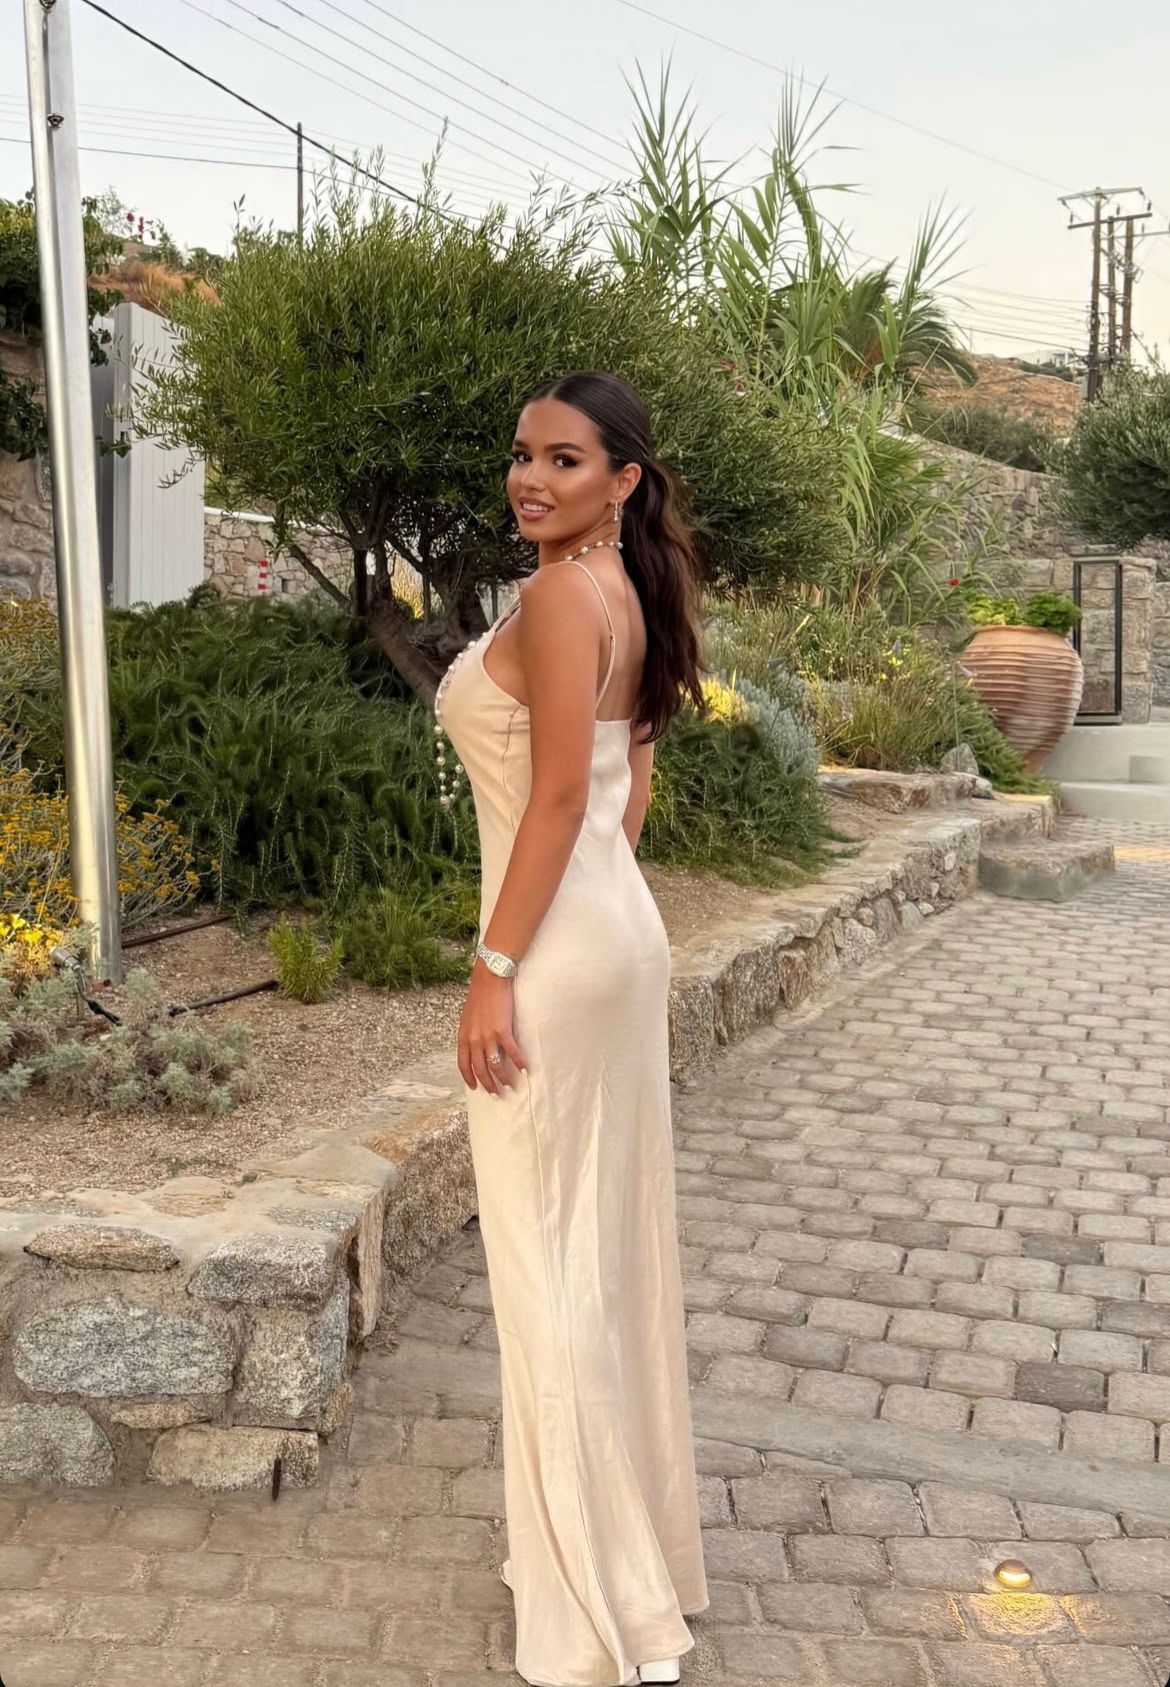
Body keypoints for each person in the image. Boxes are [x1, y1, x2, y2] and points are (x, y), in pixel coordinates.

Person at [433, 370, 709, 1687]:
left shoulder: (557, 599)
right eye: (521, 454)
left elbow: (552, 801)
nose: (529, 479)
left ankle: (596, 1611)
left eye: (564, 459)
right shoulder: (627, 592)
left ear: (622, 479)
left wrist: (496, 970)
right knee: (603, 1255)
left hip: (552, 953)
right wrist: (586, 915)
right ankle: (630, 1561)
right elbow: (621, 790)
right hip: (614, 934)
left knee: (549, 1274)